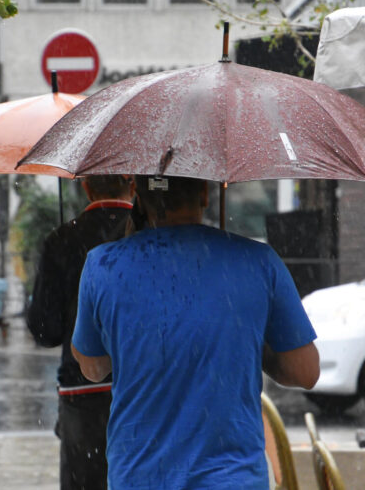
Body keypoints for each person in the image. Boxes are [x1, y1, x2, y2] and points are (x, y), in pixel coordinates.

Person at [72, 175, 319, 489]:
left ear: (138, 195)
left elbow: (92, 368)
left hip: (140, 477)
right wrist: (248, 341)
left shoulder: (102, 265)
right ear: (205, 193)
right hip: (232, 479)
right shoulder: (258, 261)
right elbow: (305, 371)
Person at [27, 175, 135, 490]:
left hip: (81, 393)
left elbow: (45, 331)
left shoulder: (63, 239)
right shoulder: (149, 234)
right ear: (133, 184)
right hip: (142, 387)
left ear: (85, 185)